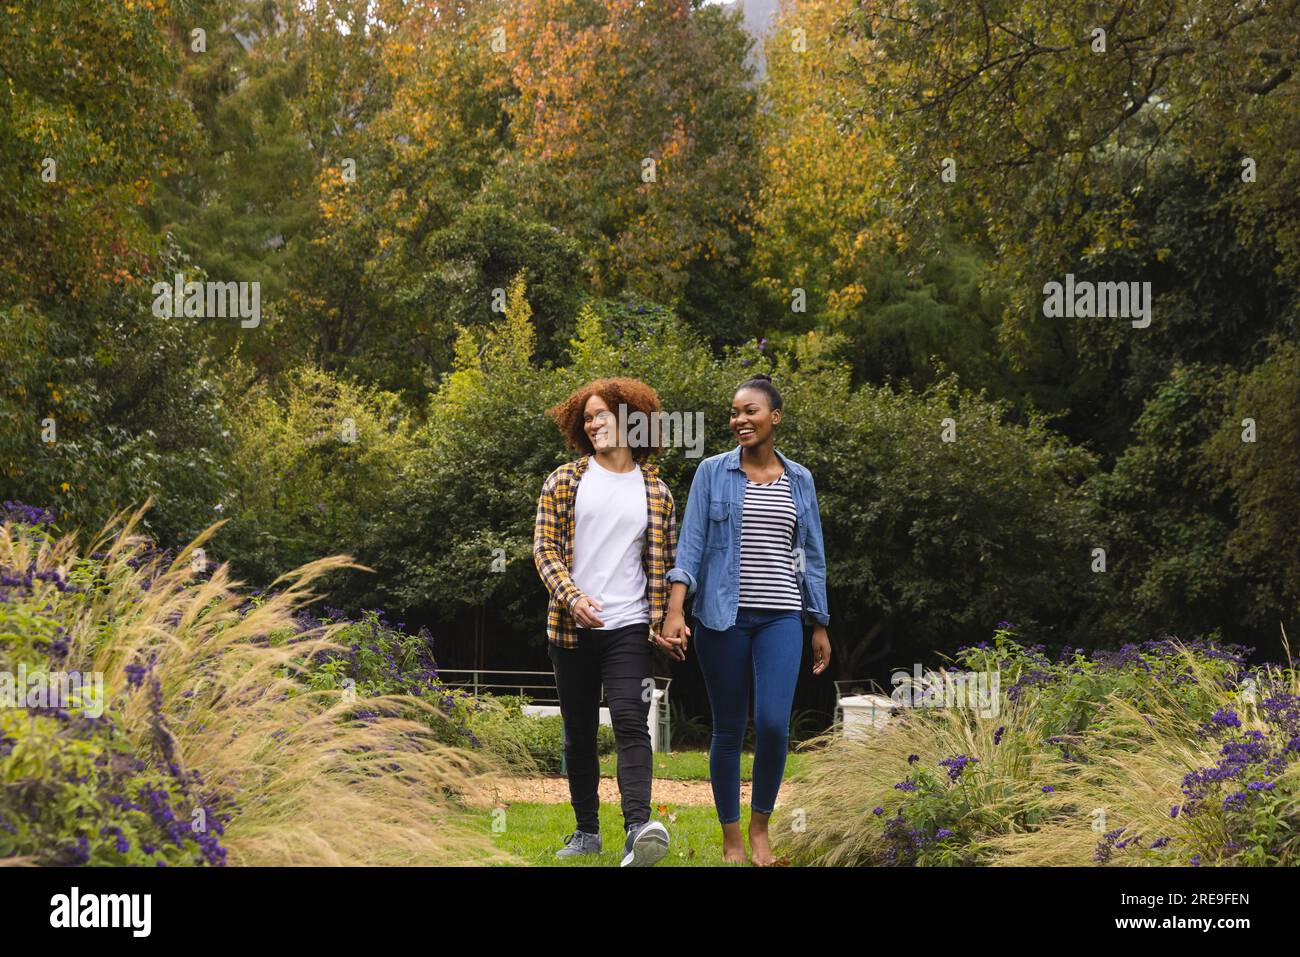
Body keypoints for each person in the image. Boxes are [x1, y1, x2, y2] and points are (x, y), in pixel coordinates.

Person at [662, 372, 831, 865]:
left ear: (774, 417)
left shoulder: (800, 479)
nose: (740, 419)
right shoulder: (712, 472)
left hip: (781, 616)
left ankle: (761, 828)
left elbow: (812, 554)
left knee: (775, 724)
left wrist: (818, 621)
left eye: (751, 411)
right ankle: (732, 838)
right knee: (729, 727)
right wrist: (675, 611)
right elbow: (689, 545)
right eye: (735, 412)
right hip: (721, 617)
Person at [533, 377, 678, 866]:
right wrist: (571, 597)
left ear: (632, 420)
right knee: (578, 733)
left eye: (603, 415)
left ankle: (638, 829)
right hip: (571, 630)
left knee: (632, 725)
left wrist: (667, 621)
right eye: (588, 417)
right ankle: (586, 831)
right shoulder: (564, 479)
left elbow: (663, 564)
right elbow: (544, 549)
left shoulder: (657, 492)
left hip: (629, 627)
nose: (594, 423)